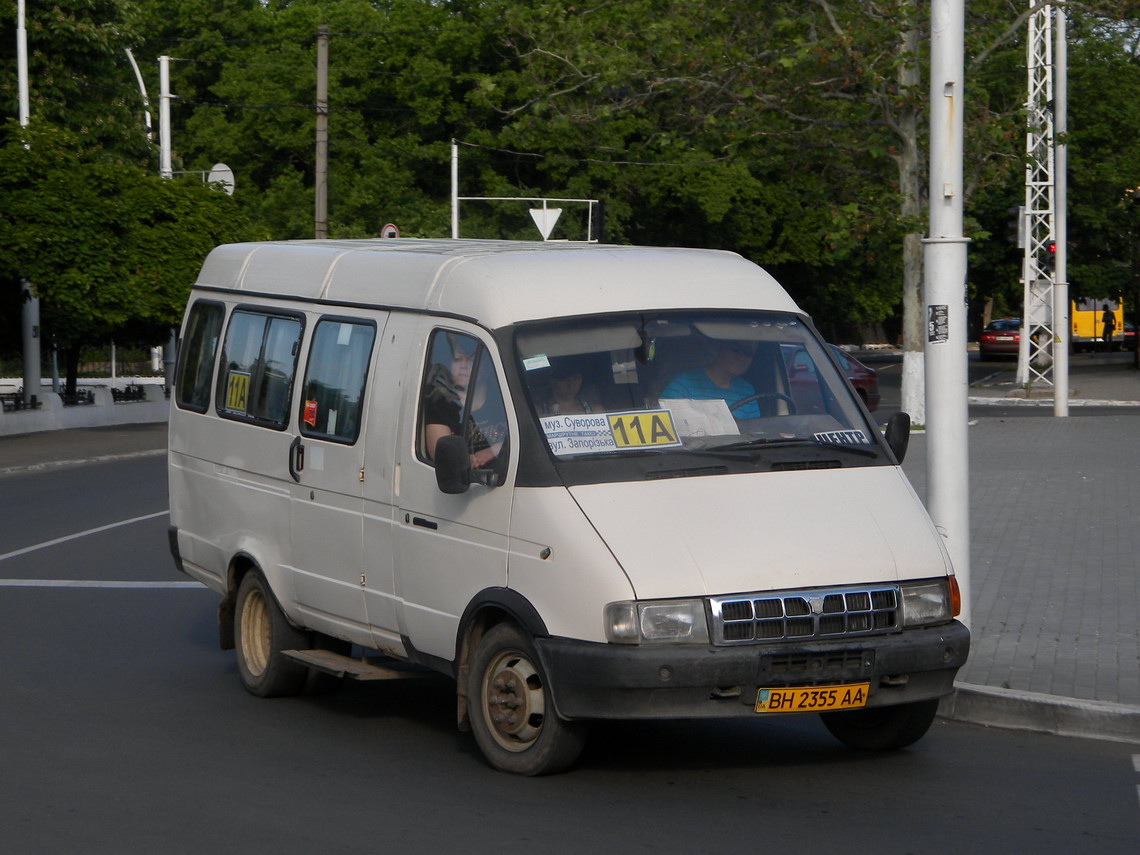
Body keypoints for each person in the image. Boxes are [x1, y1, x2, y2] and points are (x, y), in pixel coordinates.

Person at [423, 336, 506, 469]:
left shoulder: (502, 399)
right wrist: (467, 461)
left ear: (488, 367)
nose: (463, 365)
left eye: (472, 360)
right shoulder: (440, 404)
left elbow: (526, 439)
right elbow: (443, 457)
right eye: (458, 359)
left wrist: (493, 450)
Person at [660, 338, 762, 419]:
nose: (741, 357)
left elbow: (755, 433)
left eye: (748, 352)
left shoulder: (747, 391)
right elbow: (666, 429)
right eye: (735, 349)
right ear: (718, 348)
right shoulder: (682, 385)